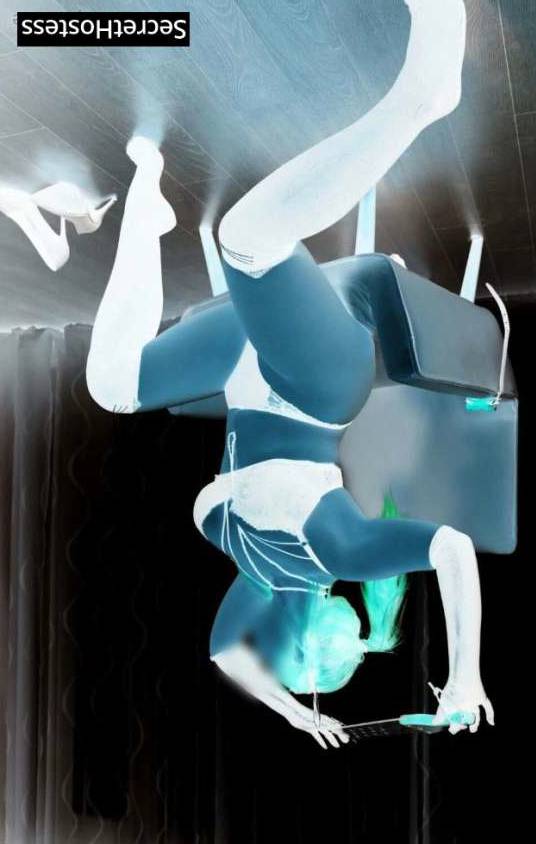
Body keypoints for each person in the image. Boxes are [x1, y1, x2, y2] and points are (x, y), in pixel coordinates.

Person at [85, 0, 494, 750]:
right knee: (246, 240)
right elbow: (451, 548)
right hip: (315, 388)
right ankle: (423, 96)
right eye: (291, 659)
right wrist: (464, 672)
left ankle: (147, 212)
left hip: (242, 368)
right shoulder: (334, 554)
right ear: (309, 634)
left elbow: (222, 654)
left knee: (112, 384)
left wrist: (293, 713)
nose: (268, 653)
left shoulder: (258, 575)